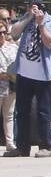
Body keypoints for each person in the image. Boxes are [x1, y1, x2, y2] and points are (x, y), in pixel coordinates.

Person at [4, 0, 51, 158]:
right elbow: (13, 34)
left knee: (43, 112)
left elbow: (50, 43)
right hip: (24, 73)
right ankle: (22, 148)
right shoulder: (26, 18)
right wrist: (28, 17)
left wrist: (41, 24)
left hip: (42, 75)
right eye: (30, 6)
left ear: (42, 7)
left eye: (34, 6)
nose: (32, 8)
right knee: (21, 111)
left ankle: (45, 146)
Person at [0, 9, 19, 151]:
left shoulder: (13, 47)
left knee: (9, 115)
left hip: (11, 85)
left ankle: (10, 143)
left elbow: (18, 63)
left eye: (3, 32)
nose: (2, 35)